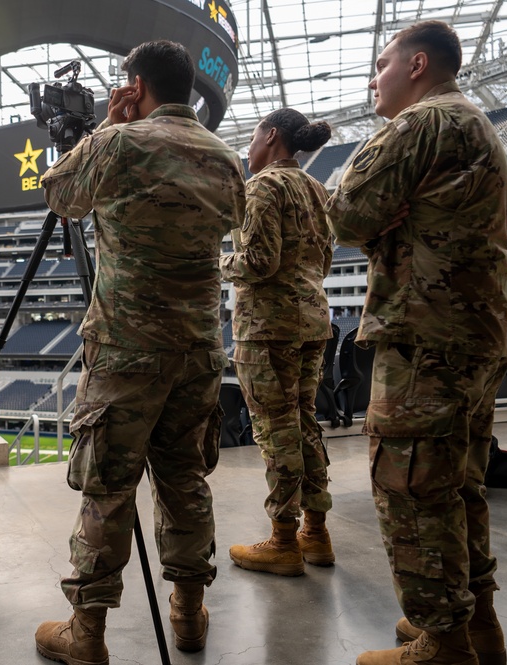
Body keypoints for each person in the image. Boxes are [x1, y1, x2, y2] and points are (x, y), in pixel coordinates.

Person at [33, 40, 245, 665]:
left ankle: (88, 634)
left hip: (127, 349)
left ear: (134, 84)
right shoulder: (226, 157)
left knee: (108, 485)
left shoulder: (119, 143)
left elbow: (59, 194)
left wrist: (105, 126)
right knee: (185, 477)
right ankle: (187, 613)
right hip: (200, 348)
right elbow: (233, 220)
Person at [325, 21, 507, 665]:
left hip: (426, 336)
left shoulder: (419, 124)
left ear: (418, 65)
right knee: (460, 485)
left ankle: (444, 643)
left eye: (381, 64)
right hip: (476, 334)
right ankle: (478, 627)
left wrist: (371, 215)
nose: (373, 79)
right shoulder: (477, 123)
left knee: (411, 488)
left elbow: (346, 212)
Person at [220, 108, 335, 577]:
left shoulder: (263, 186)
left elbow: (259, 262)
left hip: (268, 326)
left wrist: (221, 263)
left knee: (274, 427)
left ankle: (283, 540)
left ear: (271, 136)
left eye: (252, 137)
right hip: (312, 320)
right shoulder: (315, 187)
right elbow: (324, 262)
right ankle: (316, 532)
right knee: (304, 421)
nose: (248, 148)